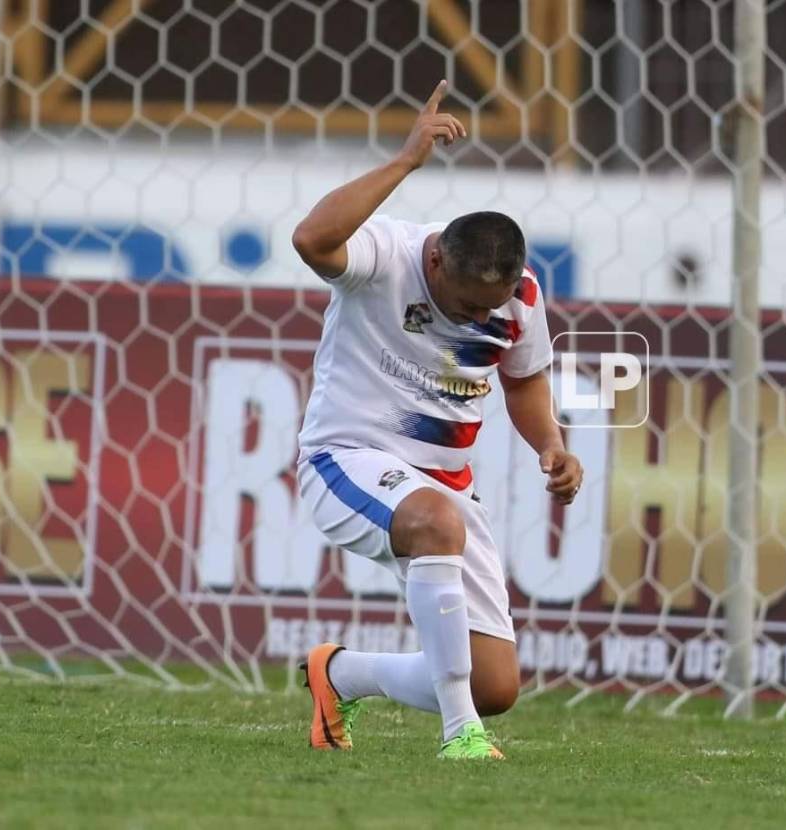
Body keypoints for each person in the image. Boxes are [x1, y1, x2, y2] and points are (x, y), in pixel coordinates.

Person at [291, 80, 583, 760]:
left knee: (495, 684)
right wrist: (405, 162)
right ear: (435, 262)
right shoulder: (386, 256)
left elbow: (524, 379)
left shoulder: (520, 298)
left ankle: (339, 674)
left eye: (492, 307)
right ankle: (462, 736)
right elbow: (311, 239)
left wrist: (551, 444)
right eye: (468, 304)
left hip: (445, 485)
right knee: (435, 521)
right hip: (345, 459)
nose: (481, 318)